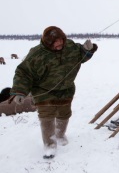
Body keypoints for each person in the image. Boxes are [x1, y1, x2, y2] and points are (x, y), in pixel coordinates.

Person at [10, 26, 98, 159]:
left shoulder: (70, 46)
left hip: (66, 89)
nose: (59, 44)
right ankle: (49, 145)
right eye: (55, 43)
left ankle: (60, 135)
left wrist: (87, 49)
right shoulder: (37, 53)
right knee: (47, 116)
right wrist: (19, 91)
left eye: (61, 41)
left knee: (64, 114)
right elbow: (24, 73)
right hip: (43, 91)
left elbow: (81, 56)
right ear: (48, 43)